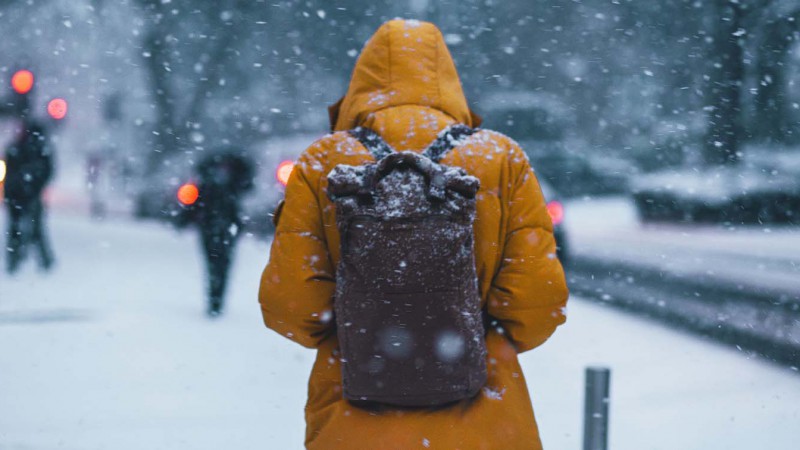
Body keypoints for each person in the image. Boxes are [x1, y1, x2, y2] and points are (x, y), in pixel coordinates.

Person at [259, 19, 569, 449]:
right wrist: (462, 333)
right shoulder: (500, 158)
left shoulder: (323, 161)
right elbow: (537, 306)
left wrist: (364, 326)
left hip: (352, 418)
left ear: (361, 83)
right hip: (485, 422)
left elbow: (290, 308)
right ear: (447, 80)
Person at [178, 149, 254, 317]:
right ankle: (216, 300)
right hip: (221, 227)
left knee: (216, 264)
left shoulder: (212, 181)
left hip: (214, 227)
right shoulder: (231, 183)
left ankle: (215, 300)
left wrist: (185, 220)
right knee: (220, 264)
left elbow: (194, 203)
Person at [3, 120, 55, 274]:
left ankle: (15, 260)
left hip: (18, 194)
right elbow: (47, 171)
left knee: (19, 228)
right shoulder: (38, 149)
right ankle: (41, 261)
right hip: (25, 195)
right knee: (34, 228)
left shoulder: (17, 147)